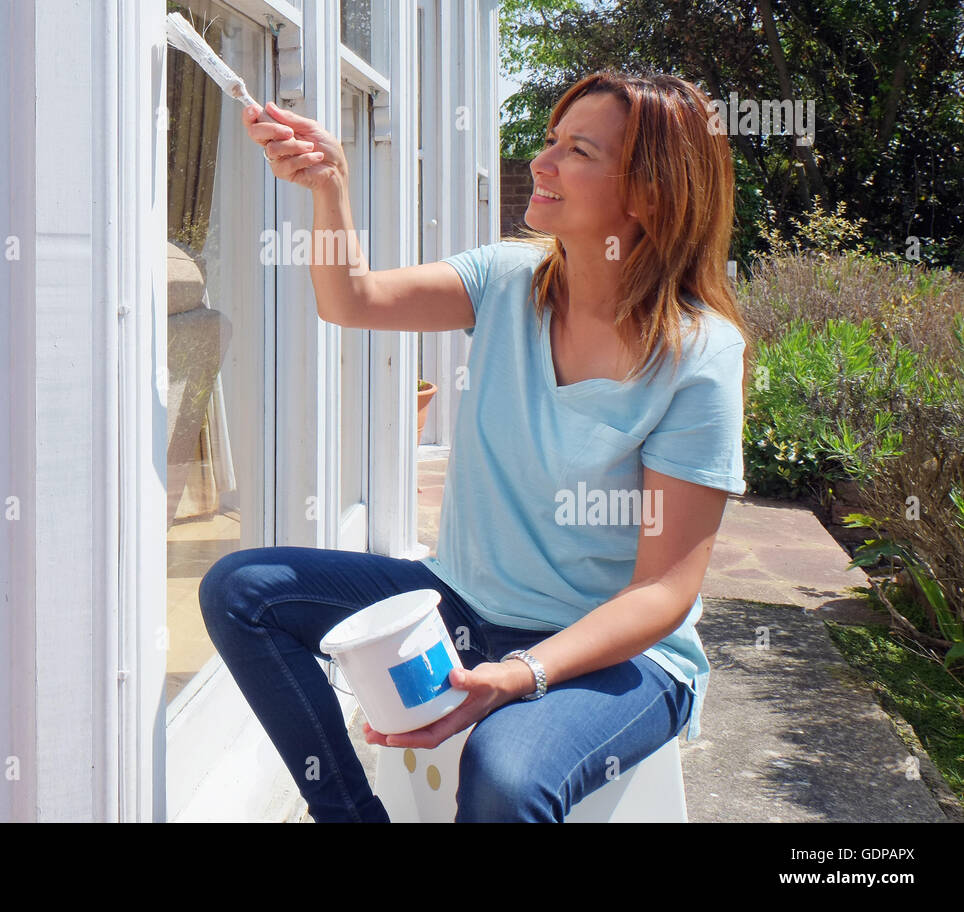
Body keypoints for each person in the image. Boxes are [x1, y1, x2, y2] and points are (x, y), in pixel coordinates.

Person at [198, 70, 750, 822]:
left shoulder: (699, 356)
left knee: (505, 777)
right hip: (465, 604)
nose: (542, 162)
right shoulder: (506, 280)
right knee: (244, 591)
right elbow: (349, 300)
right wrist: (329, 186)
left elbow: (663, 592)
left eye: (577, 150)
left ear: (650, 194)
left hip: (615, 656)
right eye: (551, 139)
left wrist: (522, 674)